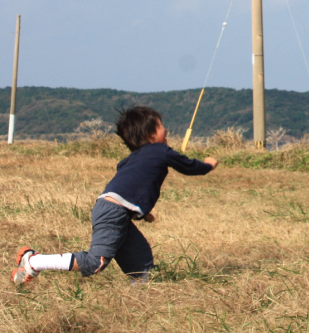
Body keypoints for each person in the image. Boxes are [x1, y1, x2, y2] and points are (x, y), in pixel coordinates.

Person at [11, 105, 218, 285]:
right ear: (150, 134)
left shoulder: (134, 159)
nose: (167, 130)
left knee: (141, 261)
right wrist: (208, 164)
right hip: (114, 213)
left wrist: (141, 212)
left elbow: (130, 184)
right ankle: (34, 261)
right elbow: (190, 167)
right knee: (95, 263)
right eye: (162, 127)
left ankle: (143, 294)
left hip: (113, 210)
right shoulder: (160, 151)